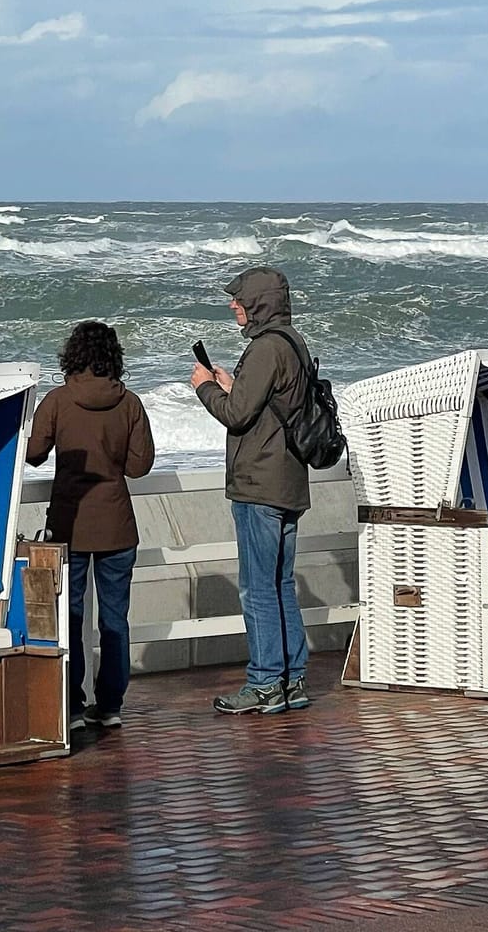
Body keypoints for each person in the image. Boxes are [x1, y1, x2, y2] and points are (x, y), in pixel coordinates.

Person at [190, 266, 312, 716]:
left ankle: (264, 684)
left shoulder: (265, 349)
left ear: (257, 302)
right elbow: (263, 404)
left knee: (258, 588)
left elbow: (238, 416)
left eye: (238, 297)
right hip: (288, 479)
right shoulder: (293, 342)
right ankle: (292, 680)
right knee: (280, 584)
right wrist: (232, 384)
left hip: (260, 484)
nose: (232, 304)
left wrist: (206, 389)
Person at [27, 320, 155, 730]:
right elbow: (140, 466)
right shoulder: (129, 402)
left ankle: (74, 705)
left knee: (71, 615)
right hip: (117, 526)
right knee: (115, 619)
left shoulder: (59, 400)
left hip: (70, 525)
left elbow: (32, 454)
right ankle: (111, 704)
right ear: (113, 357)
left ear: (72, 355)